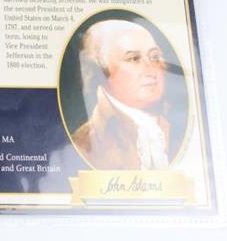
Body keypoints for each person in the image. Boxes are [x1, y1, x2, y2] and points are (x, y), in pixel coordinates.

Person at [71, 18, 172, 170]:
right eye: (134, 59)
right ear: (101, 71)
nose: (151, 68)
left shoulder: (177, 128)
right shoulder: (83, 145)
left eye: (154, 56)